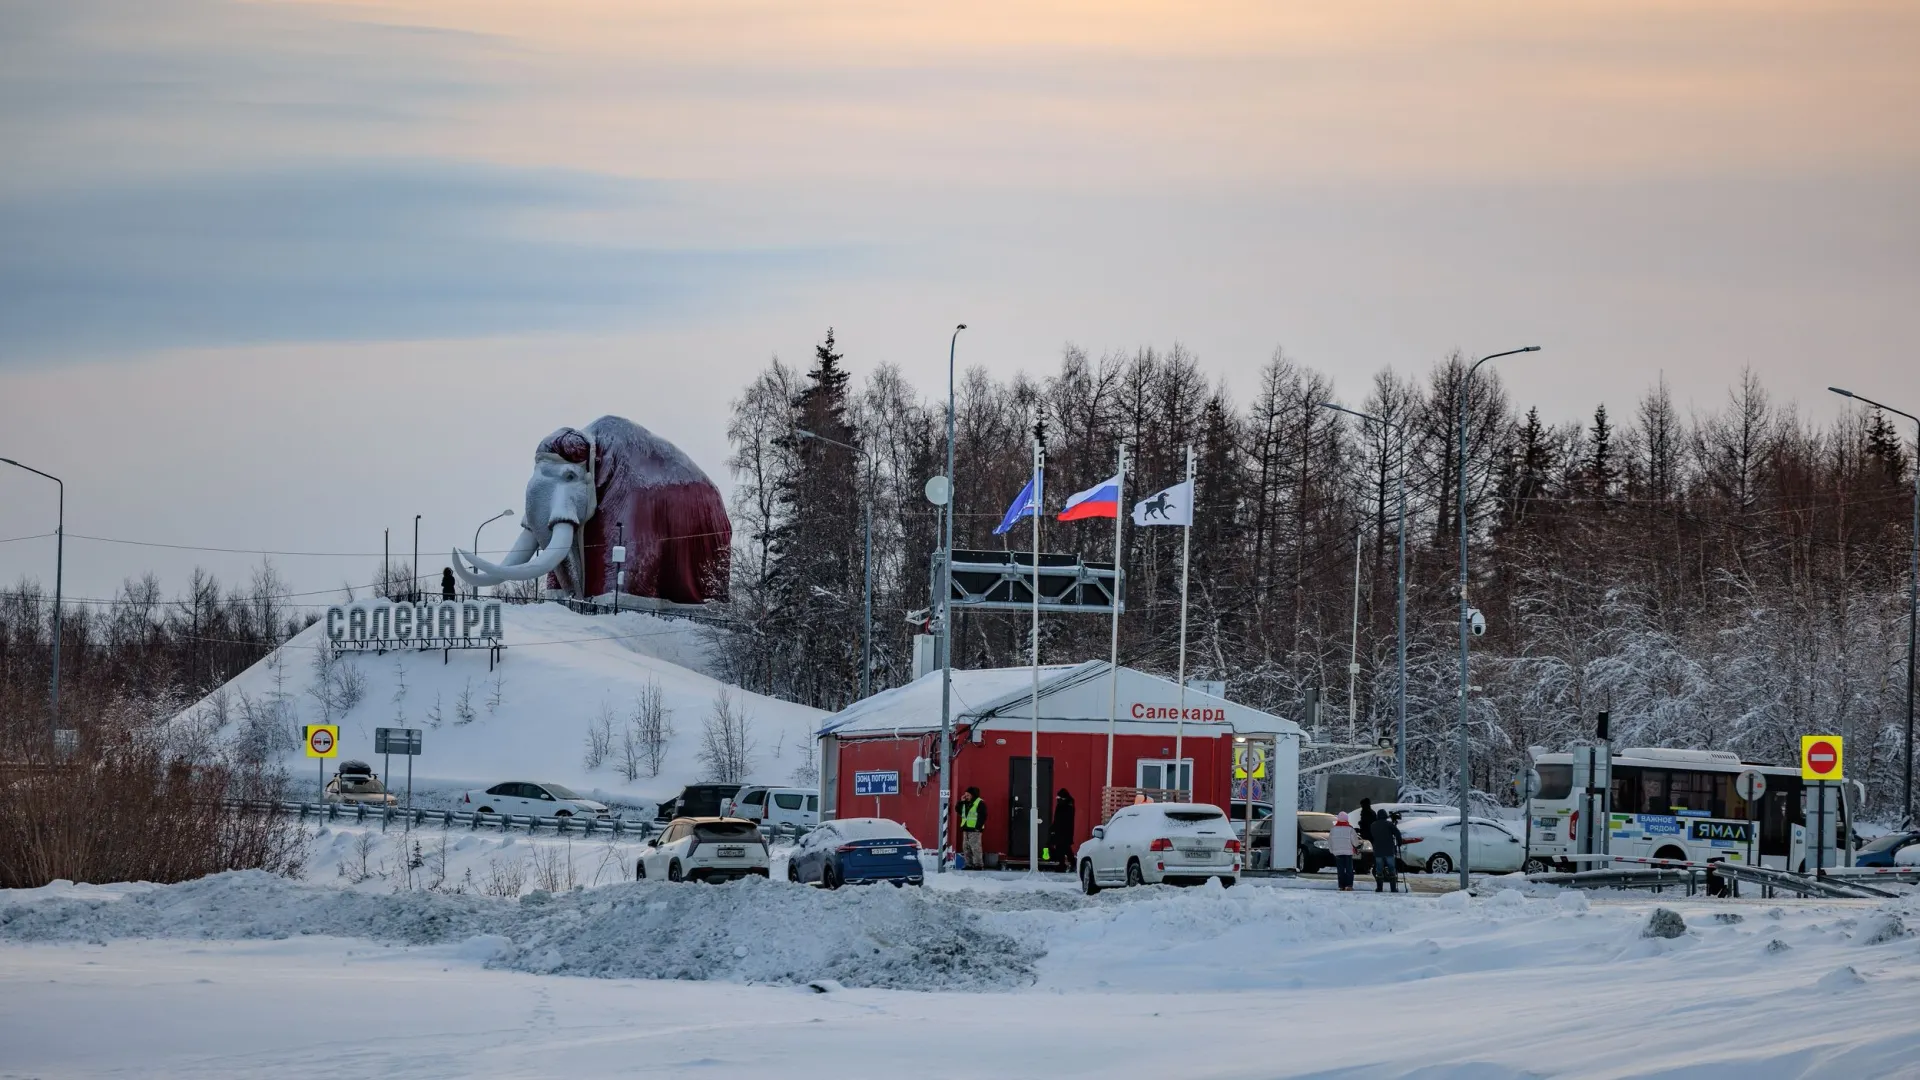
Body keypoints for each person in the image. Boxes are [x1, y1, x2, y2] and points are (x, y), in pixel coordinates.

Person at [1369, 810, 1405, 893]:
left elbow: (1372, 836)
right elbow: (1397, 833)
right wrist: (1399, 842)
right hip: (1389, 850)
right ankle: (1393, 888)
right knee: (1391, 868)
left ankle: (1379, 888)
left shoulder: (1373, 825)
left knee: (1379, 869)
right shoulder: (1389, 824)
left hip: (1378, 851)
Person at [958, 786, 987, 870]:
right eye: (965, 795)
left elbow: (983, 816)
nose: (966, 796)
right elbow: (958, 810)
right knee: (966, 848)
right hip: (966, 828)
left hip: (975, 830)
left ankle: (978, 865)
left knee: (975, 847)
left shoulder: (980, 803)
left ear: (973, 795)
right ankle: (968, 864)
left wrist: (978, 827)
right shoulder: (965, 803)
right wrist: (961, 802)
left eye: (968, 795)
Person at [1328, 812, 1358, 891]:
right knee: (1349, 869)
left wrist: (1332, 850)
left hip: (1337, 852)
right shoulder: (1350, 829)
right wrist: (1356, 846)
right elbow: (1355, 842)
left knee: (1340, 869)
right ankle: (1349, 885)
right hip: (1348, 852)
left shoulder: (1333, 829)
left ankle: (1341, 885)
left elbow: (1330, 841)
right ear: (1347, 819)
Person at [1050, 787, 1077, 870]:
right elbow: (1056, 818)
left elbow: (1065, 819)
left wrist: (1055, 828)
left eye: (1059, 797)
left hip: (1065, 831)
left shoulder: (1068, 806)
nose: (1057, 799)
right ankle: (1064, 864)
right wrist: (1053, 828)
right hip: (1060, 830)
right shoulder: (1062, 805)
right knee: (1062, 847)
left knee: (1064, 847)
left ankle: (1066, 864)